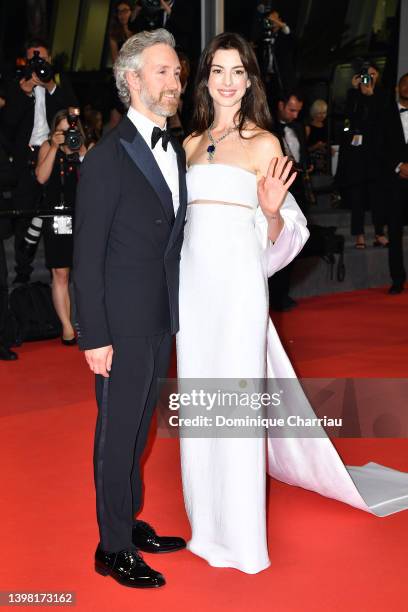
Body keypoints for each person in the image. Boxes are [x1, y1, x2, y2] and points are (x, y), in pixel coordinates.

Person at [176, 32, 408, 576]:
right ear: (205, 78)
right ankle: (205, 527)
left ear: (252, 79)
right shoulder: (188, 144)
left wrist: (274, 210)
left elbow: (280, 241)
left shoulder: (265, 144)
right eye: (218, 70)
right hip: (192, 293)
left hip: (237, 291)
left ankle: (240, 540)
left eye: (239, 71)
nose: (228, 81)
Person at [73, 29, 187, 589]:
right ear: (133, 80)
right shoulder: (106, 158)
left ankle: (130, 519)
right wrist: (93, 335)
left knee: (140, 430)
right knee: (117, 434)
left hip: (160, 316)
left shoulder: (174, 149)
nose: (175, 81)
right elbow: (86, 256)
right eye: (163, 71)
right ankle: (111, 546)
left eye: (176, 72)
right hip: (118, 324)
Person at [1, 38, 77, 284]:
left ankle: (62, 262)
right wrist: (25, 92)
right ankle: (23, 271)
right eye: (34, 60)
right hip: (27, 157)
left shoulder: (59, 83)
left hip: (55, 156)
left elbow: (72, 111)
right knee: (25, 214)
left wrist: (50, 85)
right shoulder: (18, 84)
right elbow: (9, 124)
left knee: (56, 209)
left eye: (42, 59)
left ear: (50, 59)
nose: (39, 64)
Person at [35, 110, 90, 344]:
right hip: (56, 217)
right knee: (60, 272)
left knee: (85, 272)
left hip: (84, 217)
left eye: (71, 130)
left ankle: (87, 322)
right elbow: (41, 177)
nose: (68, 135)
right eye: (62, 131)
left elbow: (95, 178)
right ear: (54, 131)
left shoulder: (85, 148)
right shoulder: (48, 147)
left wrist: (80, 150)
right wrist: (56, 146)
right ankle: (67, 327)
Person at [336, 59, 388, 249]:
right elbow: (350, 118)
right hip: (356, 154)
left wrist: (371, 96)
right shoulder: (354, 95)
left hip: (376, 153)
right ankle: (359, 235)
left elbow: (380, 123)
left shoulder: (382, 96)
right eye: (367, 75)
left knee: (377, 195)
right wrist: (354, 92)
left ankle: (379, 232)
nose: (370, 78)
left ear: (379, 76)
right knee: (357, 195)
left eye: (373, 74)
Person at [269, 90, 311, 311]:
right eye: (291, 109)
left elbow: (302, 155)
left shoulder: (299, 128)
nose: (295, 115)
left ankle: (283, 294)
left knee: (292, 244)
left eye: (298, 111)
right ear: (280, 105)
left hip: (298, 191)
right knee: (274, 245)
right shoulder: (267, 128)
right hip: (275, 192)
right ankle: (273, 295)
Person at [381, 72, 408, 294]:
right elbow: (379, 146)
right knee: (395, 231)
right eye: (404, 84)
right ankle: (397, 279)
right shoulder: (385, 115)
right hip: (394, 182)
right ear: (396, 89)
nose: (407, 87)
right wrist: (399, 166)